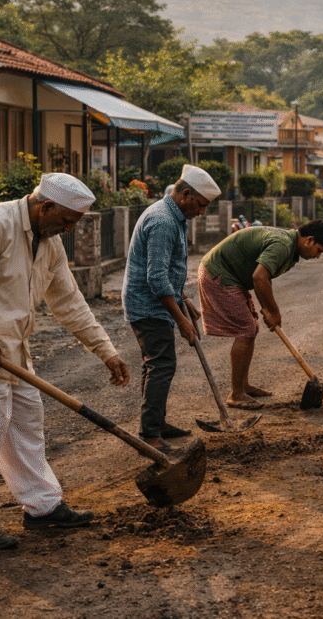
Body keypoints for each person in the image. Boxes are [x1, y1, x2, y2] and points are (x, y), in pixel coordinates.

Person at [0, 173, 130, 550]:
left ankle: (43, 506)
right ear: (45, 206)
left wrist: (106, 350)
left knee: (27, 422)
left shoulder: (48, 243)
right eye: (66, 221)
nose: (68, 230)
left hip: (12, 347)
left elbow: (69, 301)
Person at [122, 165, 221, 453]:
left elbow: (168, 270)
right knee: (162, 364)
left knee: (155, 364)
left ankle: (157, 424)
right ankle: (150, 435)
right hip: (147, 305)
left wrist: (185, 300)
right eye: (200, 205)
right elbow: (156, 278)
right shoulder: (163, 221)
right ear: (186, 193)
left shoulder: (175, 215)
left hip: (155, 302)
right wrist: (181, 320)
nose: (201, 212)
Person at [198, 220, 323, 408]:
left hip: (233, 276)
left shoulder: (291, 249)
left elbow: (263, 278)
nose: (318, 256)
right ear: (309, 240)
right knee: (245, 330)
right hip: (218, 273)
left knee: (251, 327)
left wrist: (268, 309)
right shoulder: (283, 245)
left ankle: (243, 386)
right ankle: (236, 394)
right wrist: (274, 312)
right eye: (319, 250)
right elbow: (259, 277)